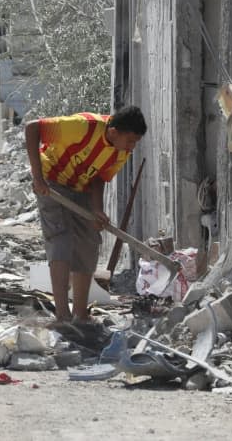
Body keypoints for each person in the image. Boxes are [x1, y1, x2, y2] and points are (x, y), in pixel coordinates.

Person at [25, 106, 147, 323]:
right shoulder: (83, 127)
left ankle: (80, 314)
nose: (132, 147)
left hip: (80, 188)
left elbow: (99, 178)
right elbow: (32, 129)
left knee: (88, 243)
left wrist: (97, 210)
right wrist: (38, 178)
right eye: (130, 140)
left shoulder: (121, 151)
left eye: (135, 141)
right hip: (51, 181)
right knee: (60, 241)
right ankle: (62, 314)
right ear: (113, 131)